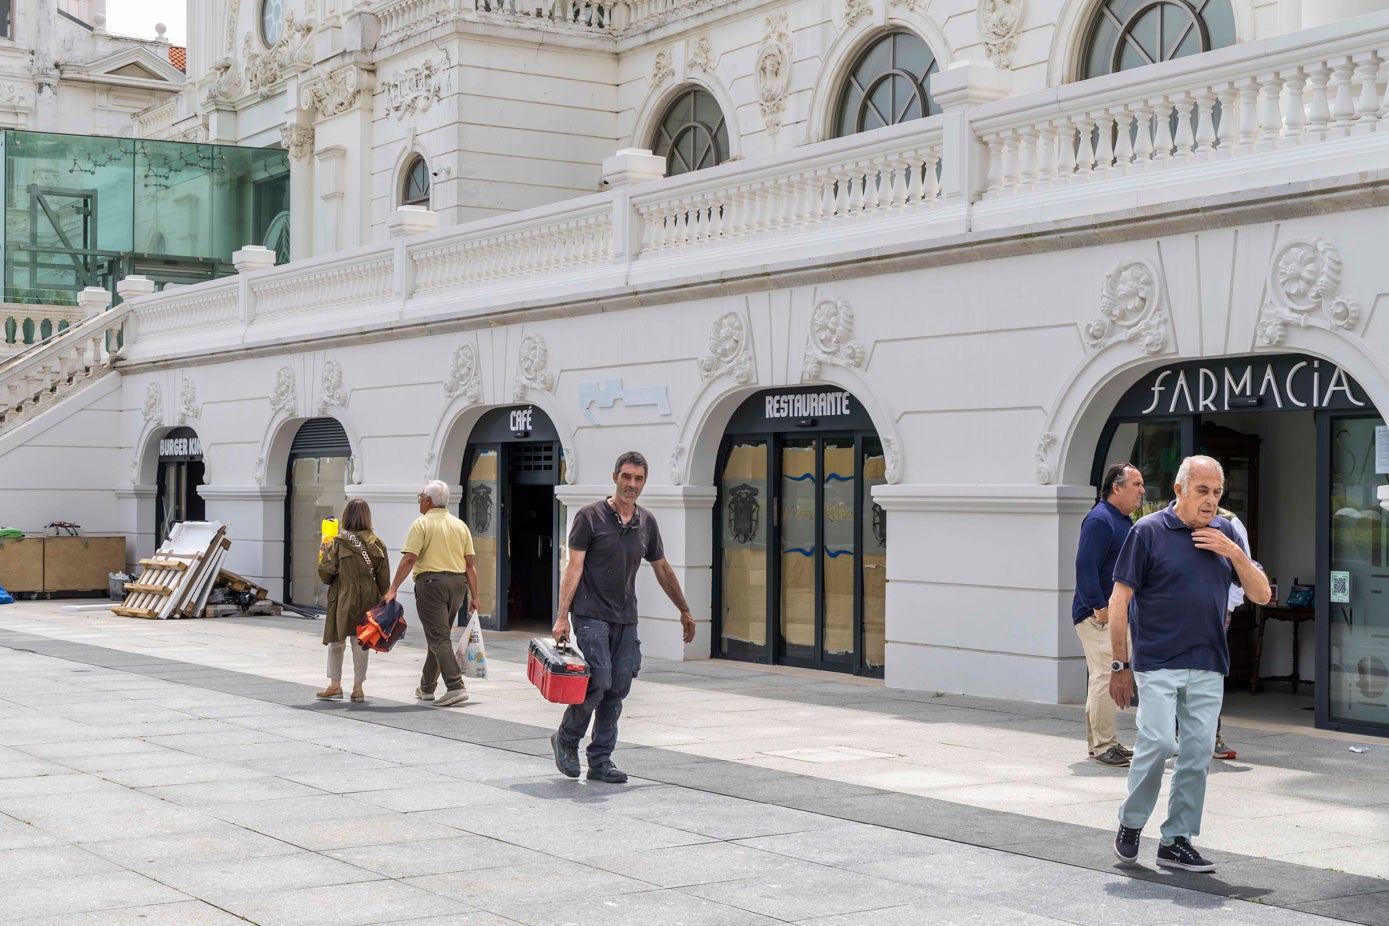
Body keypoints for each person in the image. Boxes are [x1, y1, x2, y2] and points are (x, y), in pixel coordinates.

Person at [1108, 455, 1270, 872]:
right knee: (1159, 742)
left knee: (1197, 753)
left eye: (1217, 492)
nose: (1211, 500)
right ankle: (1131, 821)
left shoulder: (1227, 531)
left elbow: (1262, 595)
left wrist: (1234, 552)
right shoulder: (1147, 531)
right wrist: (1119, 666)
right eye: (1203, 491)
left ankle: (1176, 840)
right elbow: (1119, 600)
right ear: (1179, 490)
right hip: (1157, 660)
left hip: (1208, 660)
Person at [550, 451, 696, 784]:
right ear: (614, 476)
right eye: (626, 477)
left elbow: (662, 568)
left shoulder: (647, 522)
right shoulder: (590, 517)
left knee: (617, 688)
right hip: (589, 613)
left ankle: (601, 760)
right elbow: (573, 568)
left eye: (638, 479)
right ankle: (567, 739)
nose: (632, 484)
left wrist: (684, 609)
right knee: (598, 681)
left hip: (625, 618)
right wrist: (561, 619)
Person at [1072, 462, 1145, 767]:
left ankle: (1101, 743)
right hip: (1098, 615)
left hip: (1110, 613)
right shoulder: (1101, 520)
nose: (1142, 490)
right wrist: (1099, 607)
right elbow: (1084, 566)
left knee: (1100, 679)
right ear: (1117, 488)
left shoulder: (1121, 520)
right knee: (1105, 677)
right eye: (1136, 484)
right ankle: (1103, 747)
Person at [384, 480, 480, 708]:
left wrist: (393, 588)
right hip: (458, 584)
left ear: (428, 500)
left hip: (431, 584)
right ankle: (427, 688)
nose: (419, 500)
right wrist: (475, 596)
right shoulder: (460, 525)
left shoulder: (421, 524)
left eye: (420, 497)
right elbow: (470, 565)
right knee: (438, 636)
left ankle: (455, 686)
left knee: (439, 638)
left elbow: (409, 558)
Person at [315, 498, 389, 702]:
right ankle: (358, 687)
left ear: (346, 516)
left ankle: (335, 685)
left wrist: (323, 554)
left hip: (342, 596)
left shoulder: (338, 543)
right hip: (369, 597)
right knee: (361, 642)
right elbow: (384, 582)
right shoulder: (378, 544)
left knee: (337, 641)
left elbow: (326, 575)